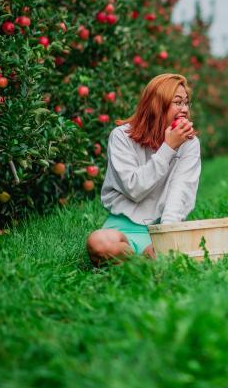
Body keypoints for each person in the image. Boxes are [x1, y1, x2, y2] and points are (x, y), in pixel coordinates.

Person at [86, 73, 200, 265]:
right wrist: (168, 149)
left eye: (186, 103)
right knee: (99, 244)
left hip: (160, 229)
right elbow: (134, 188)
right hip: (123, 228)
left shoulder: (189, 144)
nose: (184, 109)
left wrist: (166, 238)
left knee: (169, 253)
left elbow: (179, 193)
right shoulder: (121, 137)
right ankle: (140, 262)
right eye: (177, 102)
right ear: (157, 105)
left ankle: (136, 264)